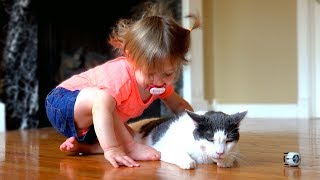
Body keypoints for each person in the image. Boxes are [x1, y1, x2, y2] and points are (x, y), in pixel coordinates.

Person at [45, 1, 199, 168]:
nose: (158, 81)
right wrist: (117, 147)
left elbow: (178, 104)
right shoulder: (121, 76)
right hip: (63, 103)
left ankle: (86, 147)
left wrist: (198, 123)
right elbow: (100, 106)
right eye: (150, 74)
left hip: (91, 125)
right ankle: (112, 148)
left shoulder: (160, 85)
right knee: (104, 99)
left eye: (168, 74)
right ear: (132, 59)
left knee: (132, 135)